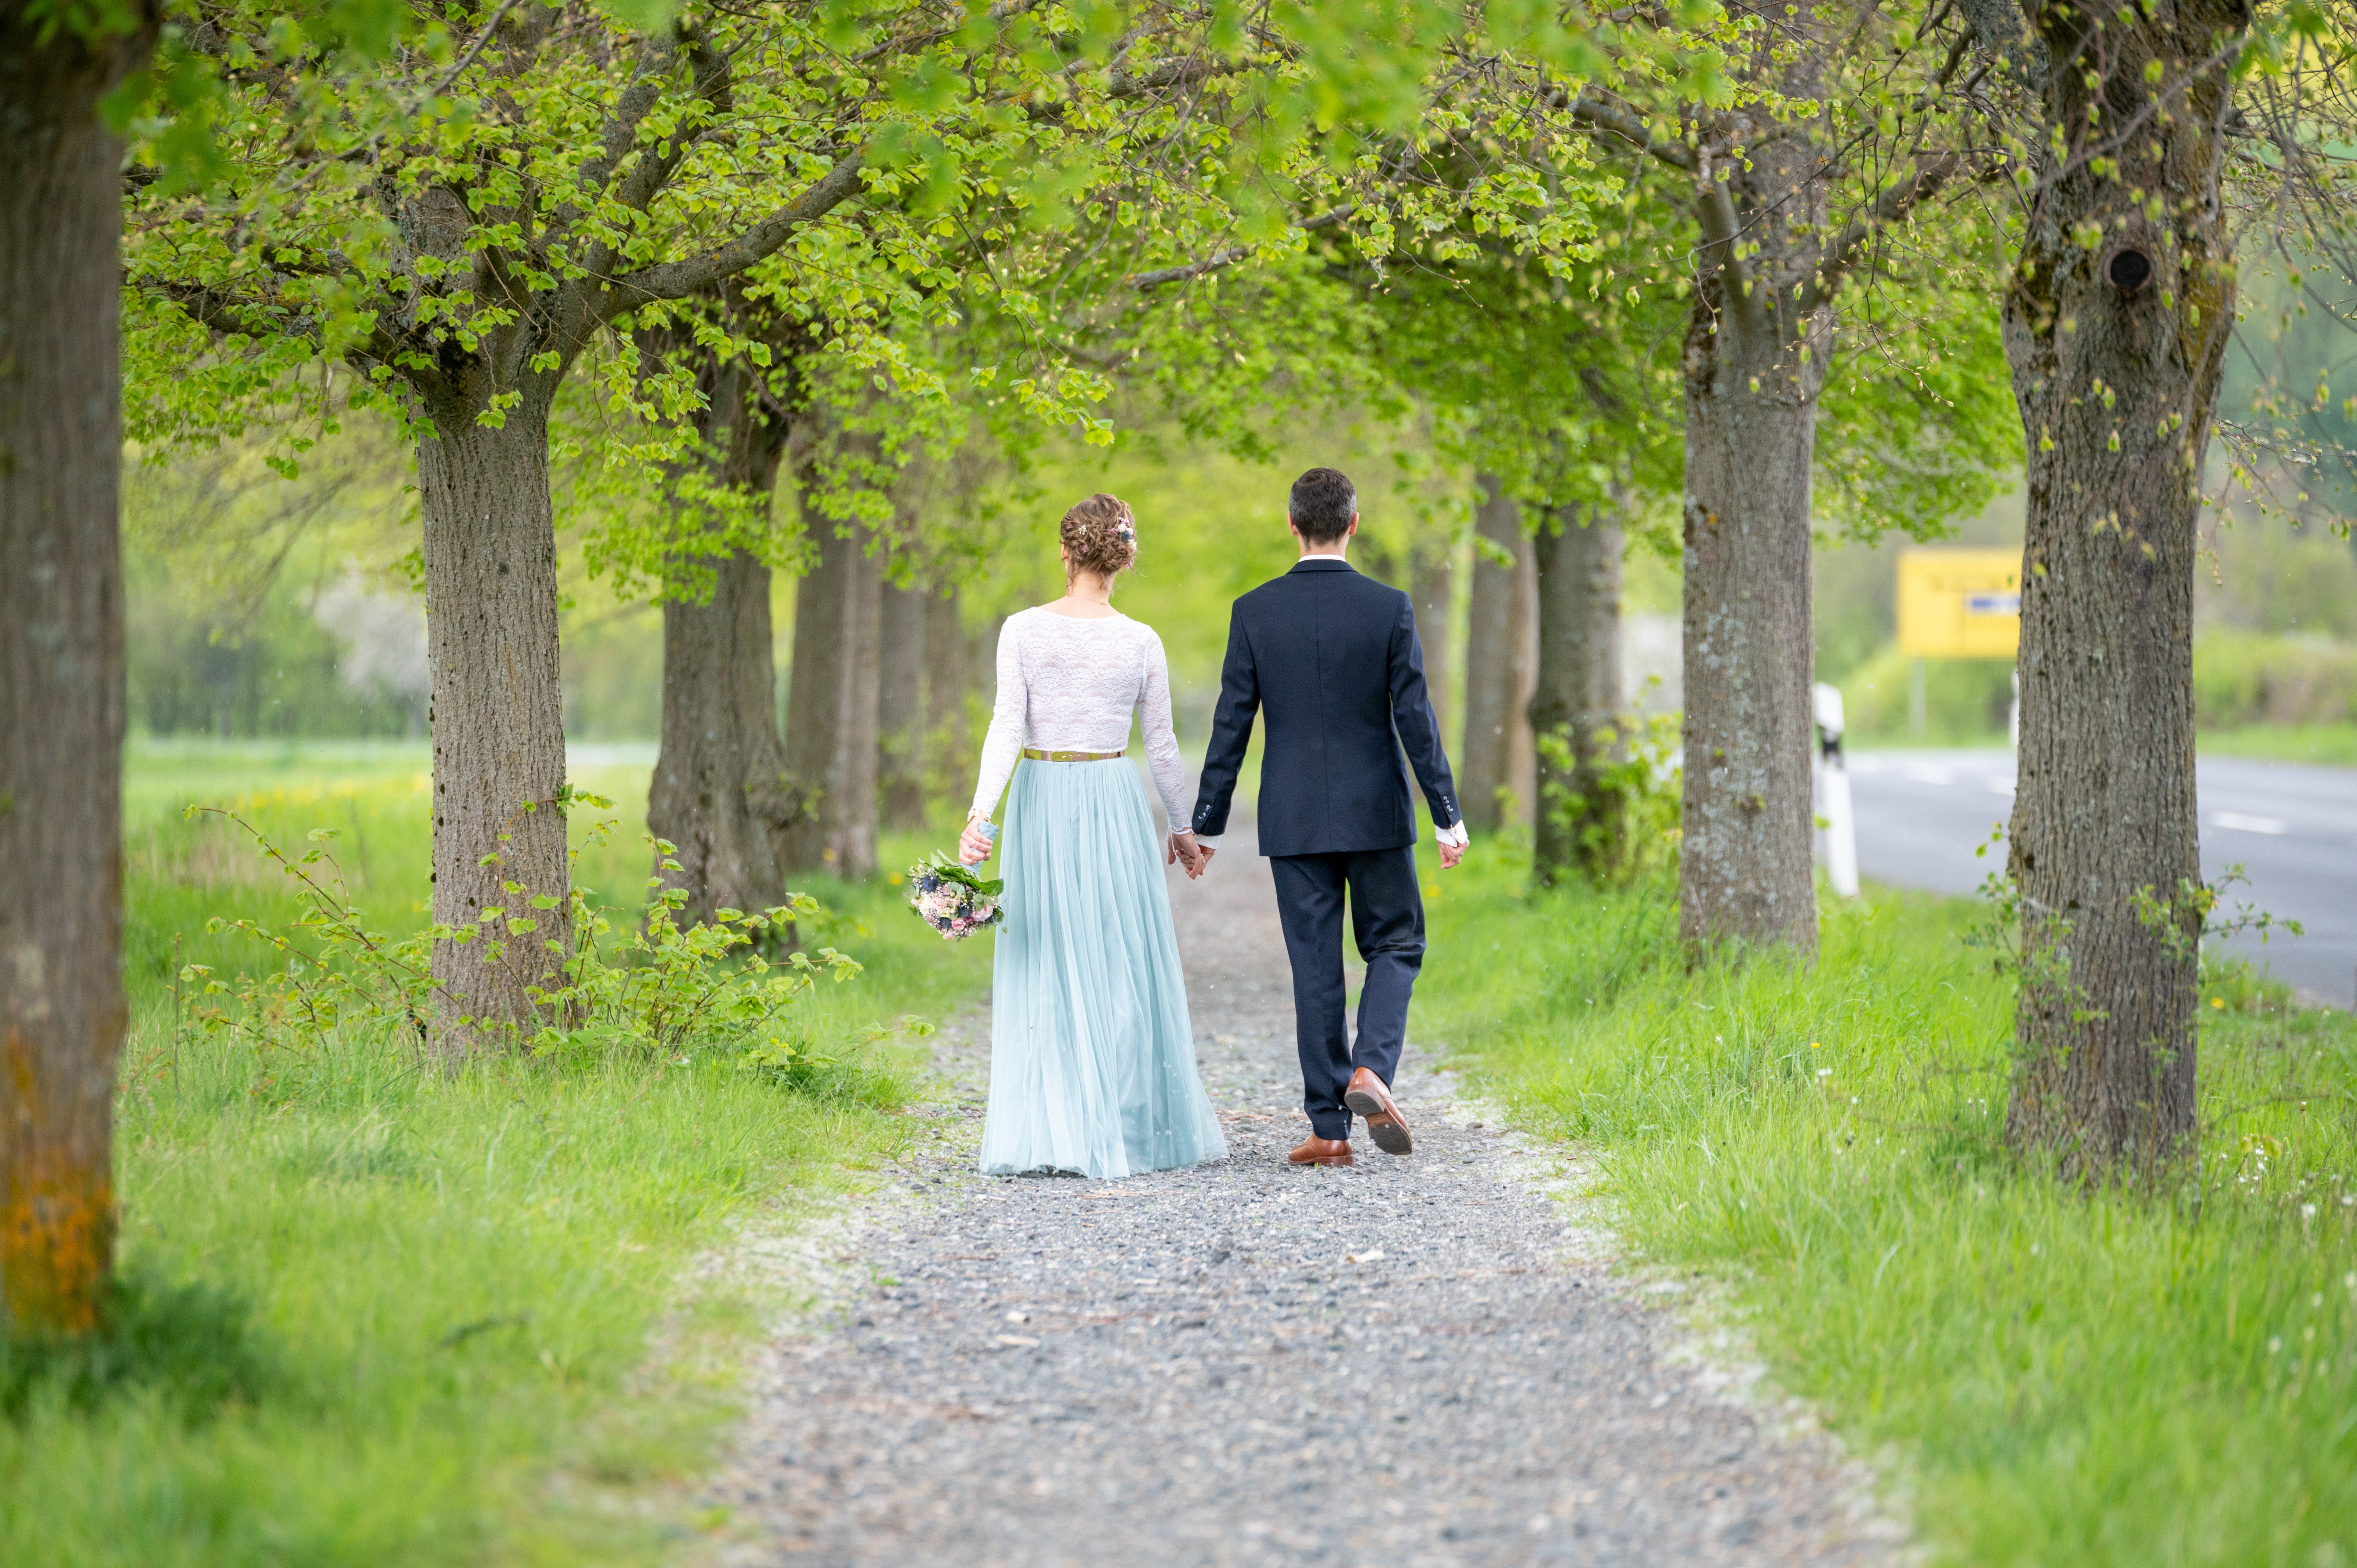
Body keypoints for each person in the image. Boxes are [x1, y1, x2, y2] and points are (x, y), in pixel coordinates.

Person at [1186, 467, 1467, 1168]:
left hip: (1294, 819)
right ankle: (1371, 1068)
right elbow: (1416, 722)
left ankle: (1330, 1130)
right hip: (1377, 812)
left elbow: (1232, 723)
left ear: (1291, 525)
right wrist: (1447, 815)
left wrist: (1207, 822)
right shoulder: (1390, 608)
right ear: (1354, 523)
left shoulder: (1255, 610)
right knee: (1396, 944)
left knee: (1316, 969)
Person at [957, 494, 1228, 1179]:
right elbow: (1162, 748)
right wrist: (1182, 829)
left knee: (1045, 958)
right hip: (1113, 797)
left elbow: (1006, 728)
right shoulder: (1141, 639)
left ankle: (1054, 1127)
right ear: (1125, 556)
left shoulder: (1021, 628)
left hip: (1043, 799)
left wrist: (980, 816)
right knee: (1117, 961)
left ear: (1065, 551)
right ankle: (1116, 1122)